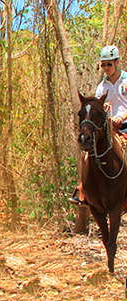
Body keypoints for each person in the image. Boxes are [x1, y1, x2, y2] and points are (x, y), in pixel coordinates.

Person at [70, 45, 127, 205]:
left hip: (125, 124)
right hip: (107, 127)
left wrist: (121, 117)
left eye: (109, 64)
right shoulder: (102, 87)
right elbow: (96, 110)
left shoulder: (126, 80)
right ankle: (83, 190)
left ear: (116, 62)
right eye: (103, 65)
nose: (106, 68)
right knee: (86, 153)